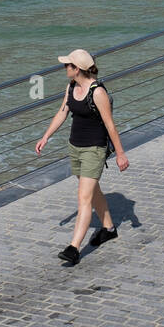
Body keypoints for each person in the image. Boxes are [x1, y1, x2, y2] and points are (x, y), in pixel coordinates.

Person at [36, 49, 129, 266]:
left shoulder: (97, 92)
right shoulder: (71, 87)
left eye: (67, 65)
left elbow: (110, 124)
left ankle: (74, 248)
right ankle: (109, 229)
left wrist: (121, 154)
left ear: (77, 69)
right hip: (75, 147)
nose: (64, 68)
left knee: (84, 198)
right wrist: (46, 136)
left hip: (93, 150)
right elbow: (62, 112)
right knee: (92, 190)